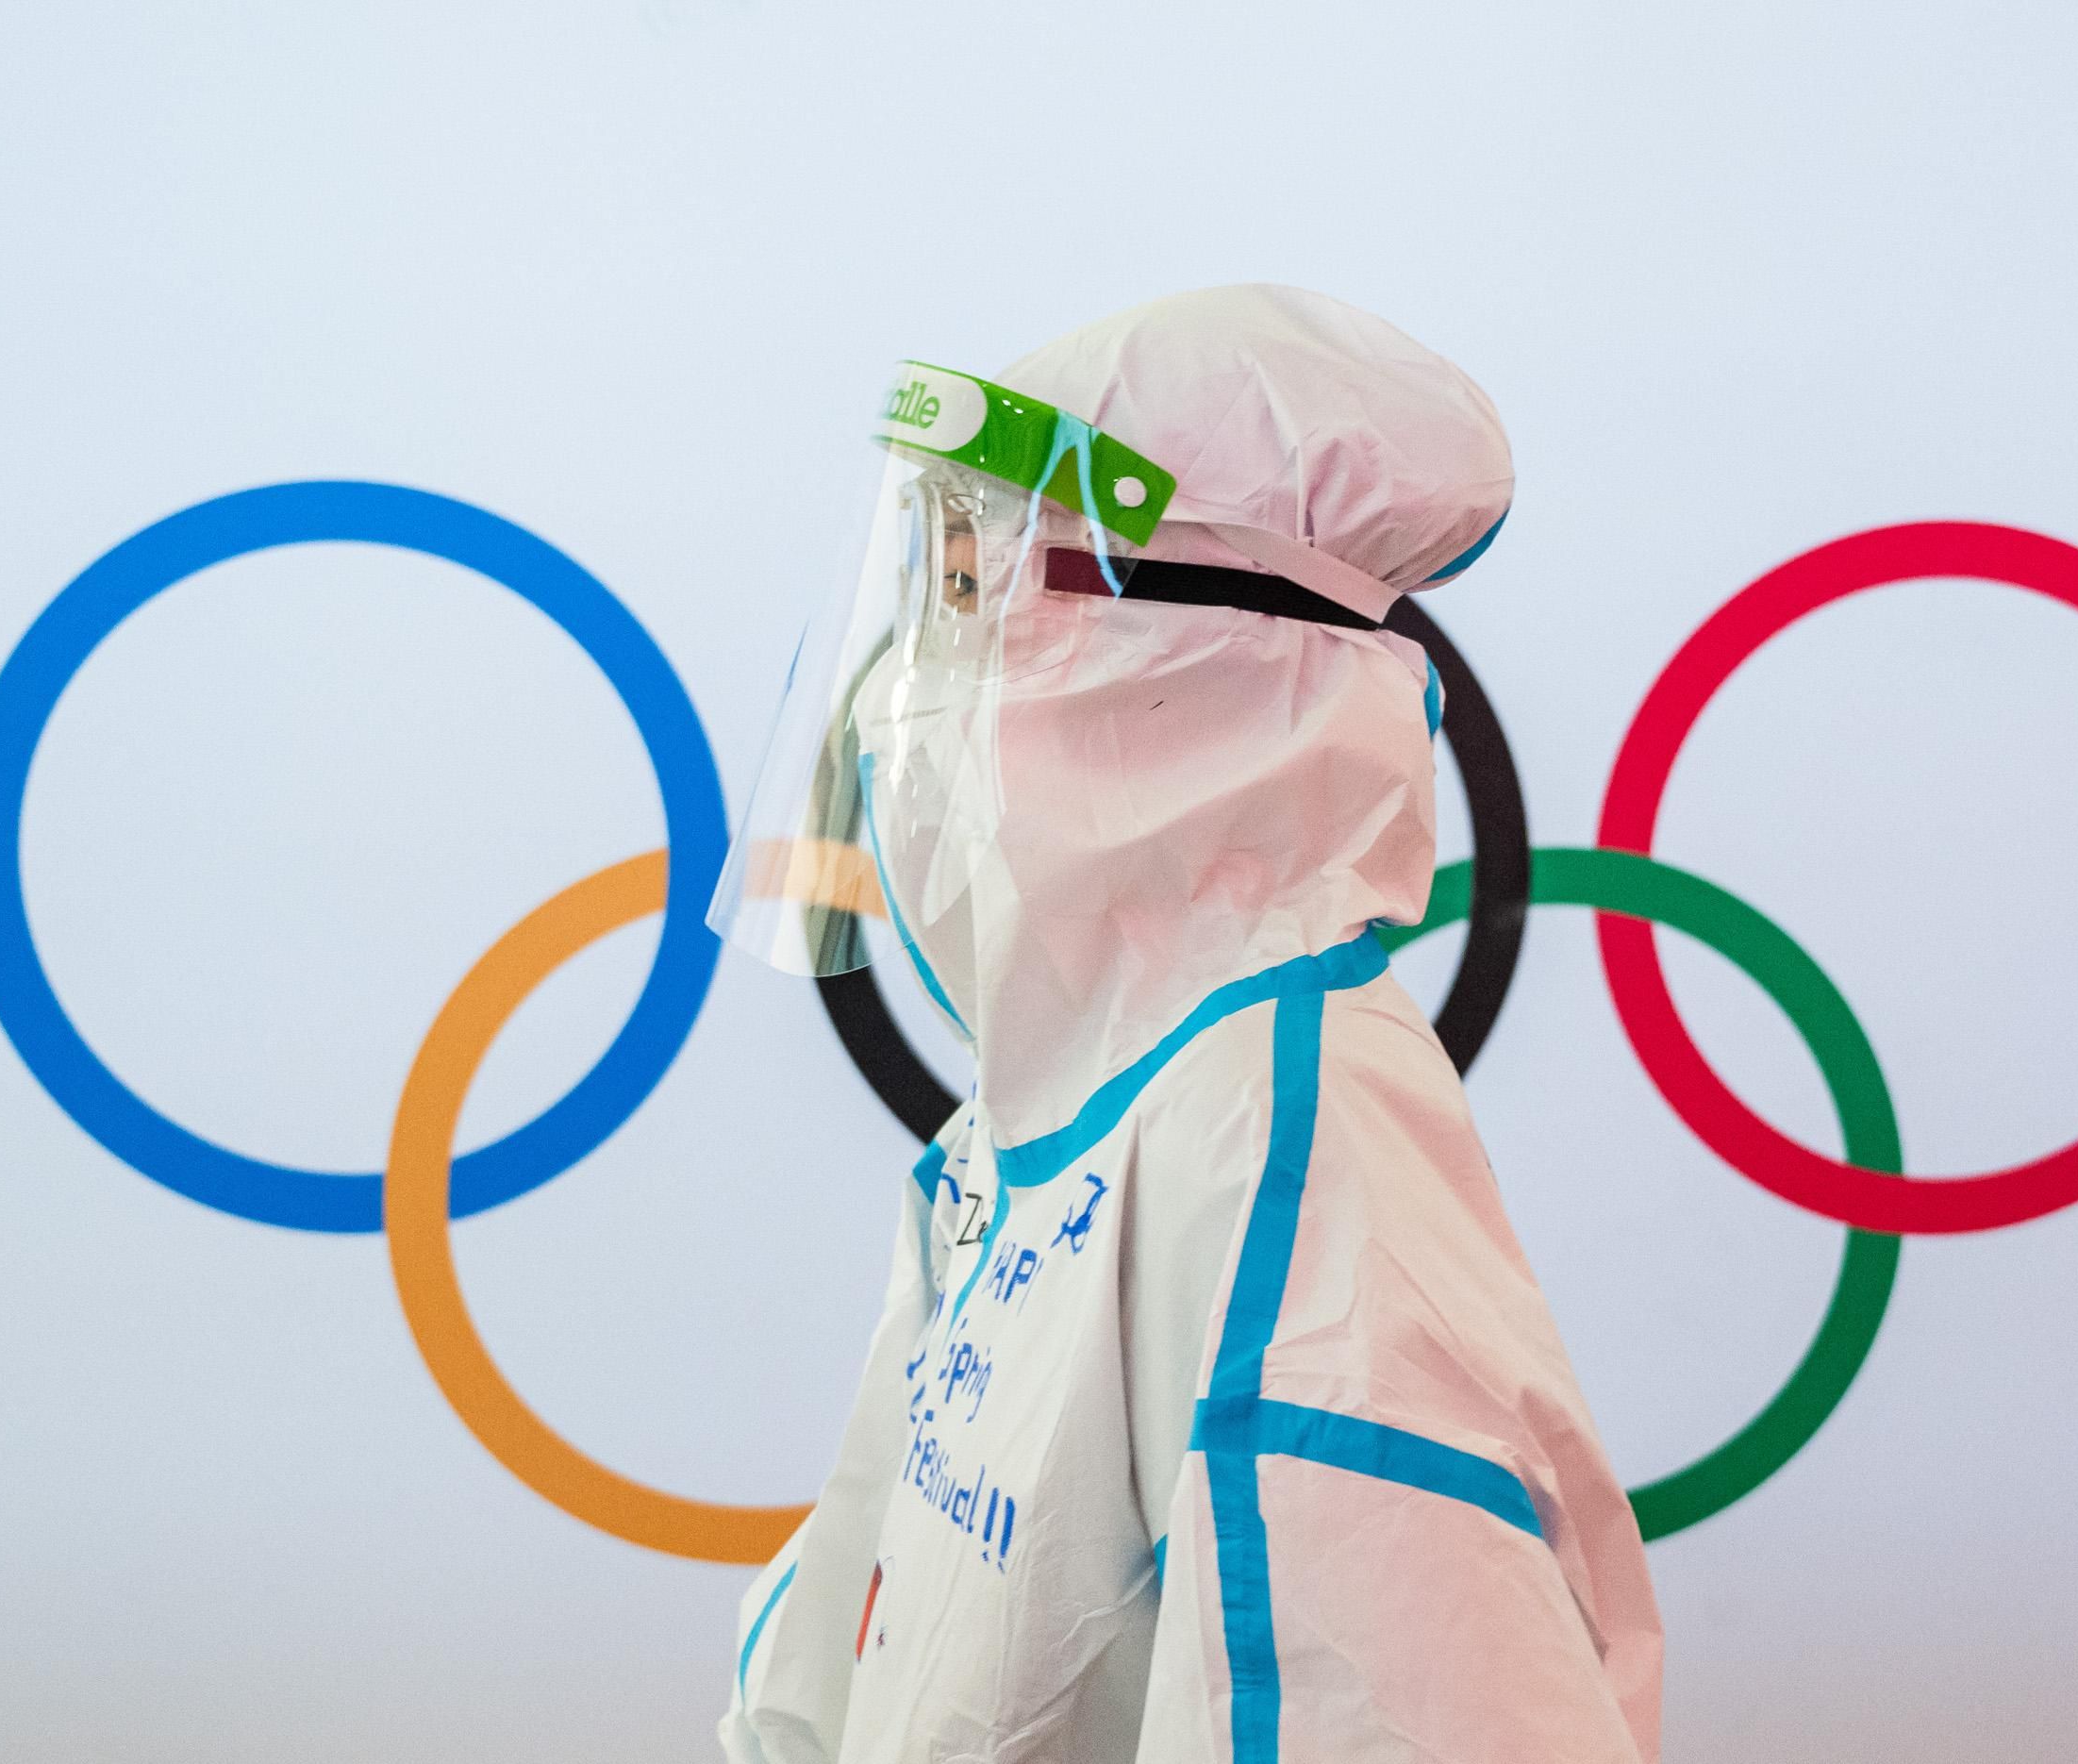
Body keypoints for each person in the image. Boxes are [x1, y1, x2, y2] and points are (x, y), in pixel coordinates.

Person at [707, 284, 1662, 1763]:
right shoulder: (1049, 1113)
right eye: (929, 579)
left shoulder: (1289, 1154)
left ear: (1197, 653)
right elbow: (852, 1640)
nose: (909, 678)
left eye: (978, 586)